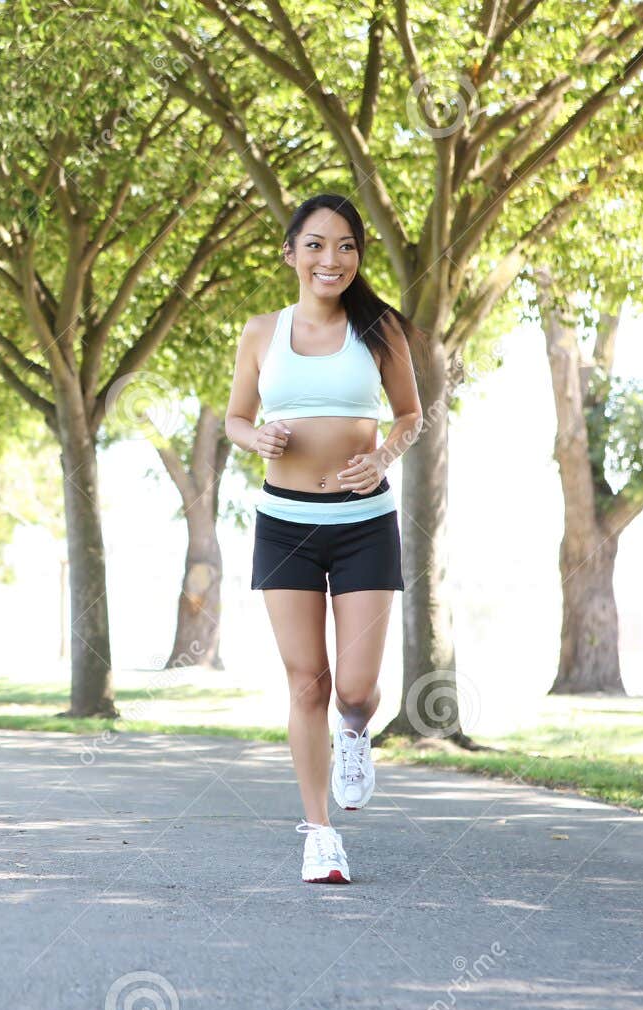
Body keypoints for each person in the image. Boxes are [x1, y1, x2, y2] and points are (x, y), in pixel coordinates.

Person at [224, 193, 425, 884]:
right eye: (314, 244)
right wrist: (258, 436)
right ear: (291, 253)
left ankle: (355, 733)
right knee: (307, 681)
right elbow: (235, 418)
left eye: (344, 246)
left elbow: (410, 414)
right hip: (285, 524)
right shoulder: (260, 332)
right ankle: (319, 834)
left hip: (365, 521)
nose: (330, 258)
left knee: (357, 688)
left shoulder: (382, 329)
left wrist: (384, 456)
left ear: (357, 256)